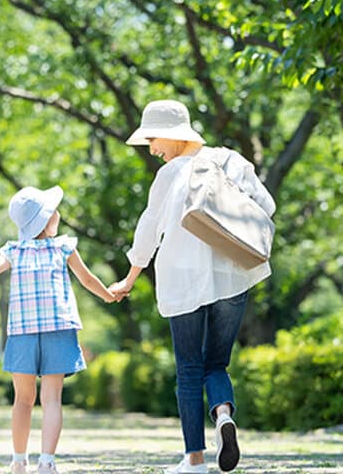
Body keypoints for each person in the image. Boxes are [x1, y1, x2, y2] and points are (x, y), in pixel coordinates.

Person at [108, 100, 276, 474]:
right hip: (233, 275)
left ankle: (195, 460)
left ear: (172, 135)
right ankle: (223, 416)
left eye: (153, 138)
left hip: (182, 278)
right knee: (216, 363)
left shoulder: (170, 174)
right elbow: (267, 205)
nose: (152, 148)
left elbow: (148, 230)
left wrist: (130, 279)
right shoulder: (233, 160)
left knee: (188, 368)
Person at [0, 185, 120, 474]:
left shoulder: (13, 250)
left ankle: (19, 461)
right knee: (52, 398)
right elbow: (88, 280)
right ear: (46, 219)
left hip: (22, 332)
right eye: (53, 211)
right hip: (59, 328)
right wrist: (108, 294)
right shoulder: (64, 246)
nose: (58, 214)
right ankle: (47, 463)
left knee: (23, 399)